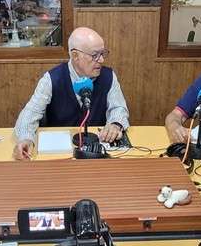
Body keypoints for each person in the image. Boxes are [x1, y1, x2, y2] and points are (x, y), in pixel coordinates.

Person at [12, 27, 130, 160]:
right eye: (95, 55)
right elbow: (30, 113)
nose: (101, 60)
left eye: (102, 53)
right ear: (75, 56)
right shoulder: (52, 79)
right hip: (59, 154)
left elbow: (119, 108)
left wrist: (115, 124)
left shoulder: (108, 76)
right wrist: (26, 139)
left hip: (96, 152)